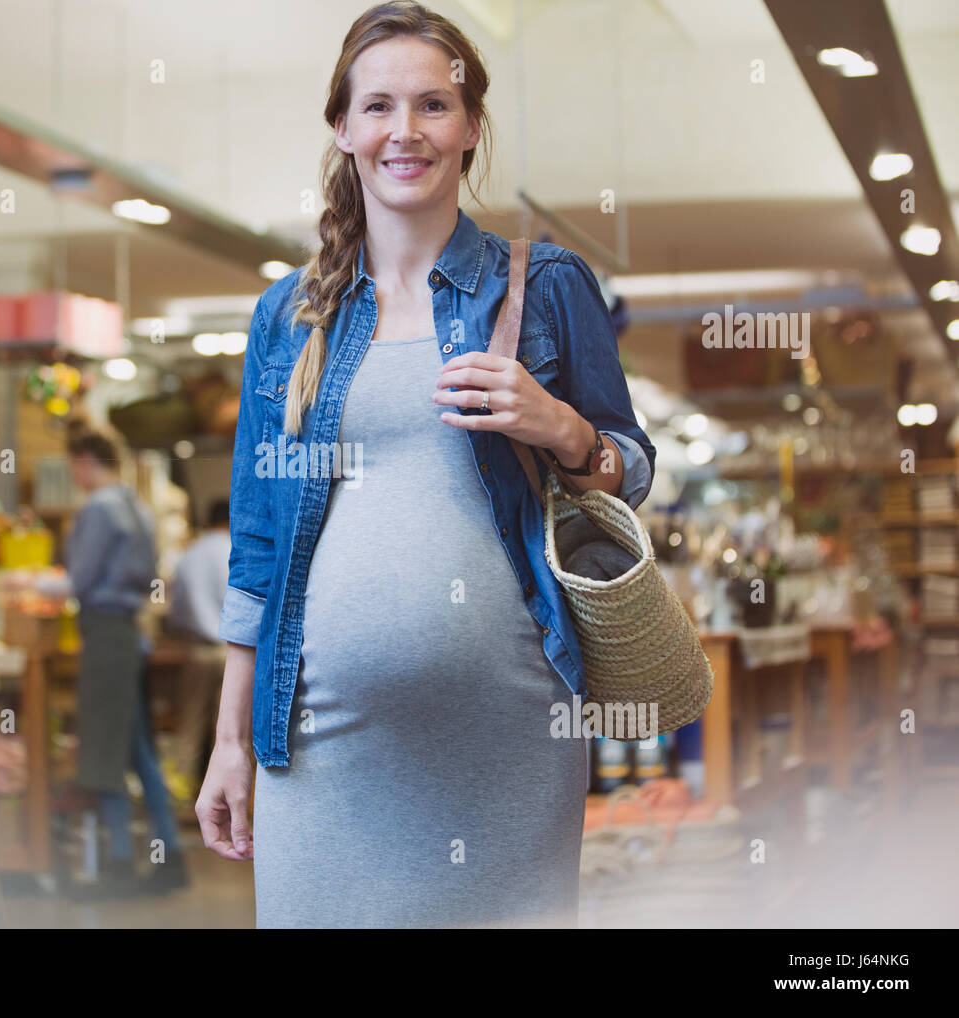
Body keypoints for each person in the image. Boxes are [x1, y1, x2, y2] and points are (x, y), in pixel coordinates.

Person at [195, 1, 655, 928]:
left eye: (433, 105)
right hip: (320, 745)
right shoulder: (288, 316)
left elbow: (629, 466)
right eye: (377, 107)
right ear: (343, 127)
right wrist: (229, 740)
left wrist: (561, 426)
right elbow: (256, 545)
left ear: (472, 127)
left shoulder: (544, 284)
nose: (405, 130)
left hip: (510, 738)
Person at [64, 421, 187, 897]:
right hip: (132, 634)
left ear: (85, 461)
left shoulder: (98, 507)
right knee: (140, 751)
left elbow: (79, 579)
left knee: (105, 752)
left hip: (105, 637)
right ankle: (170, 854)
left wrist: (34, 585)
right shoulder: (139, 506)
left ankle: (117, 863)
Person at [164, 499, 232, 800]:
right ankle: (229, 800)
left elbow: (176, 612)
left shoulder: (189, 555)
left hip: (199, 650)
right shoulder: (238, 550)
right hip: (235, 654)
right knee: (229, 730)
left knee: (190, 725)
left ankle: (182, 798)